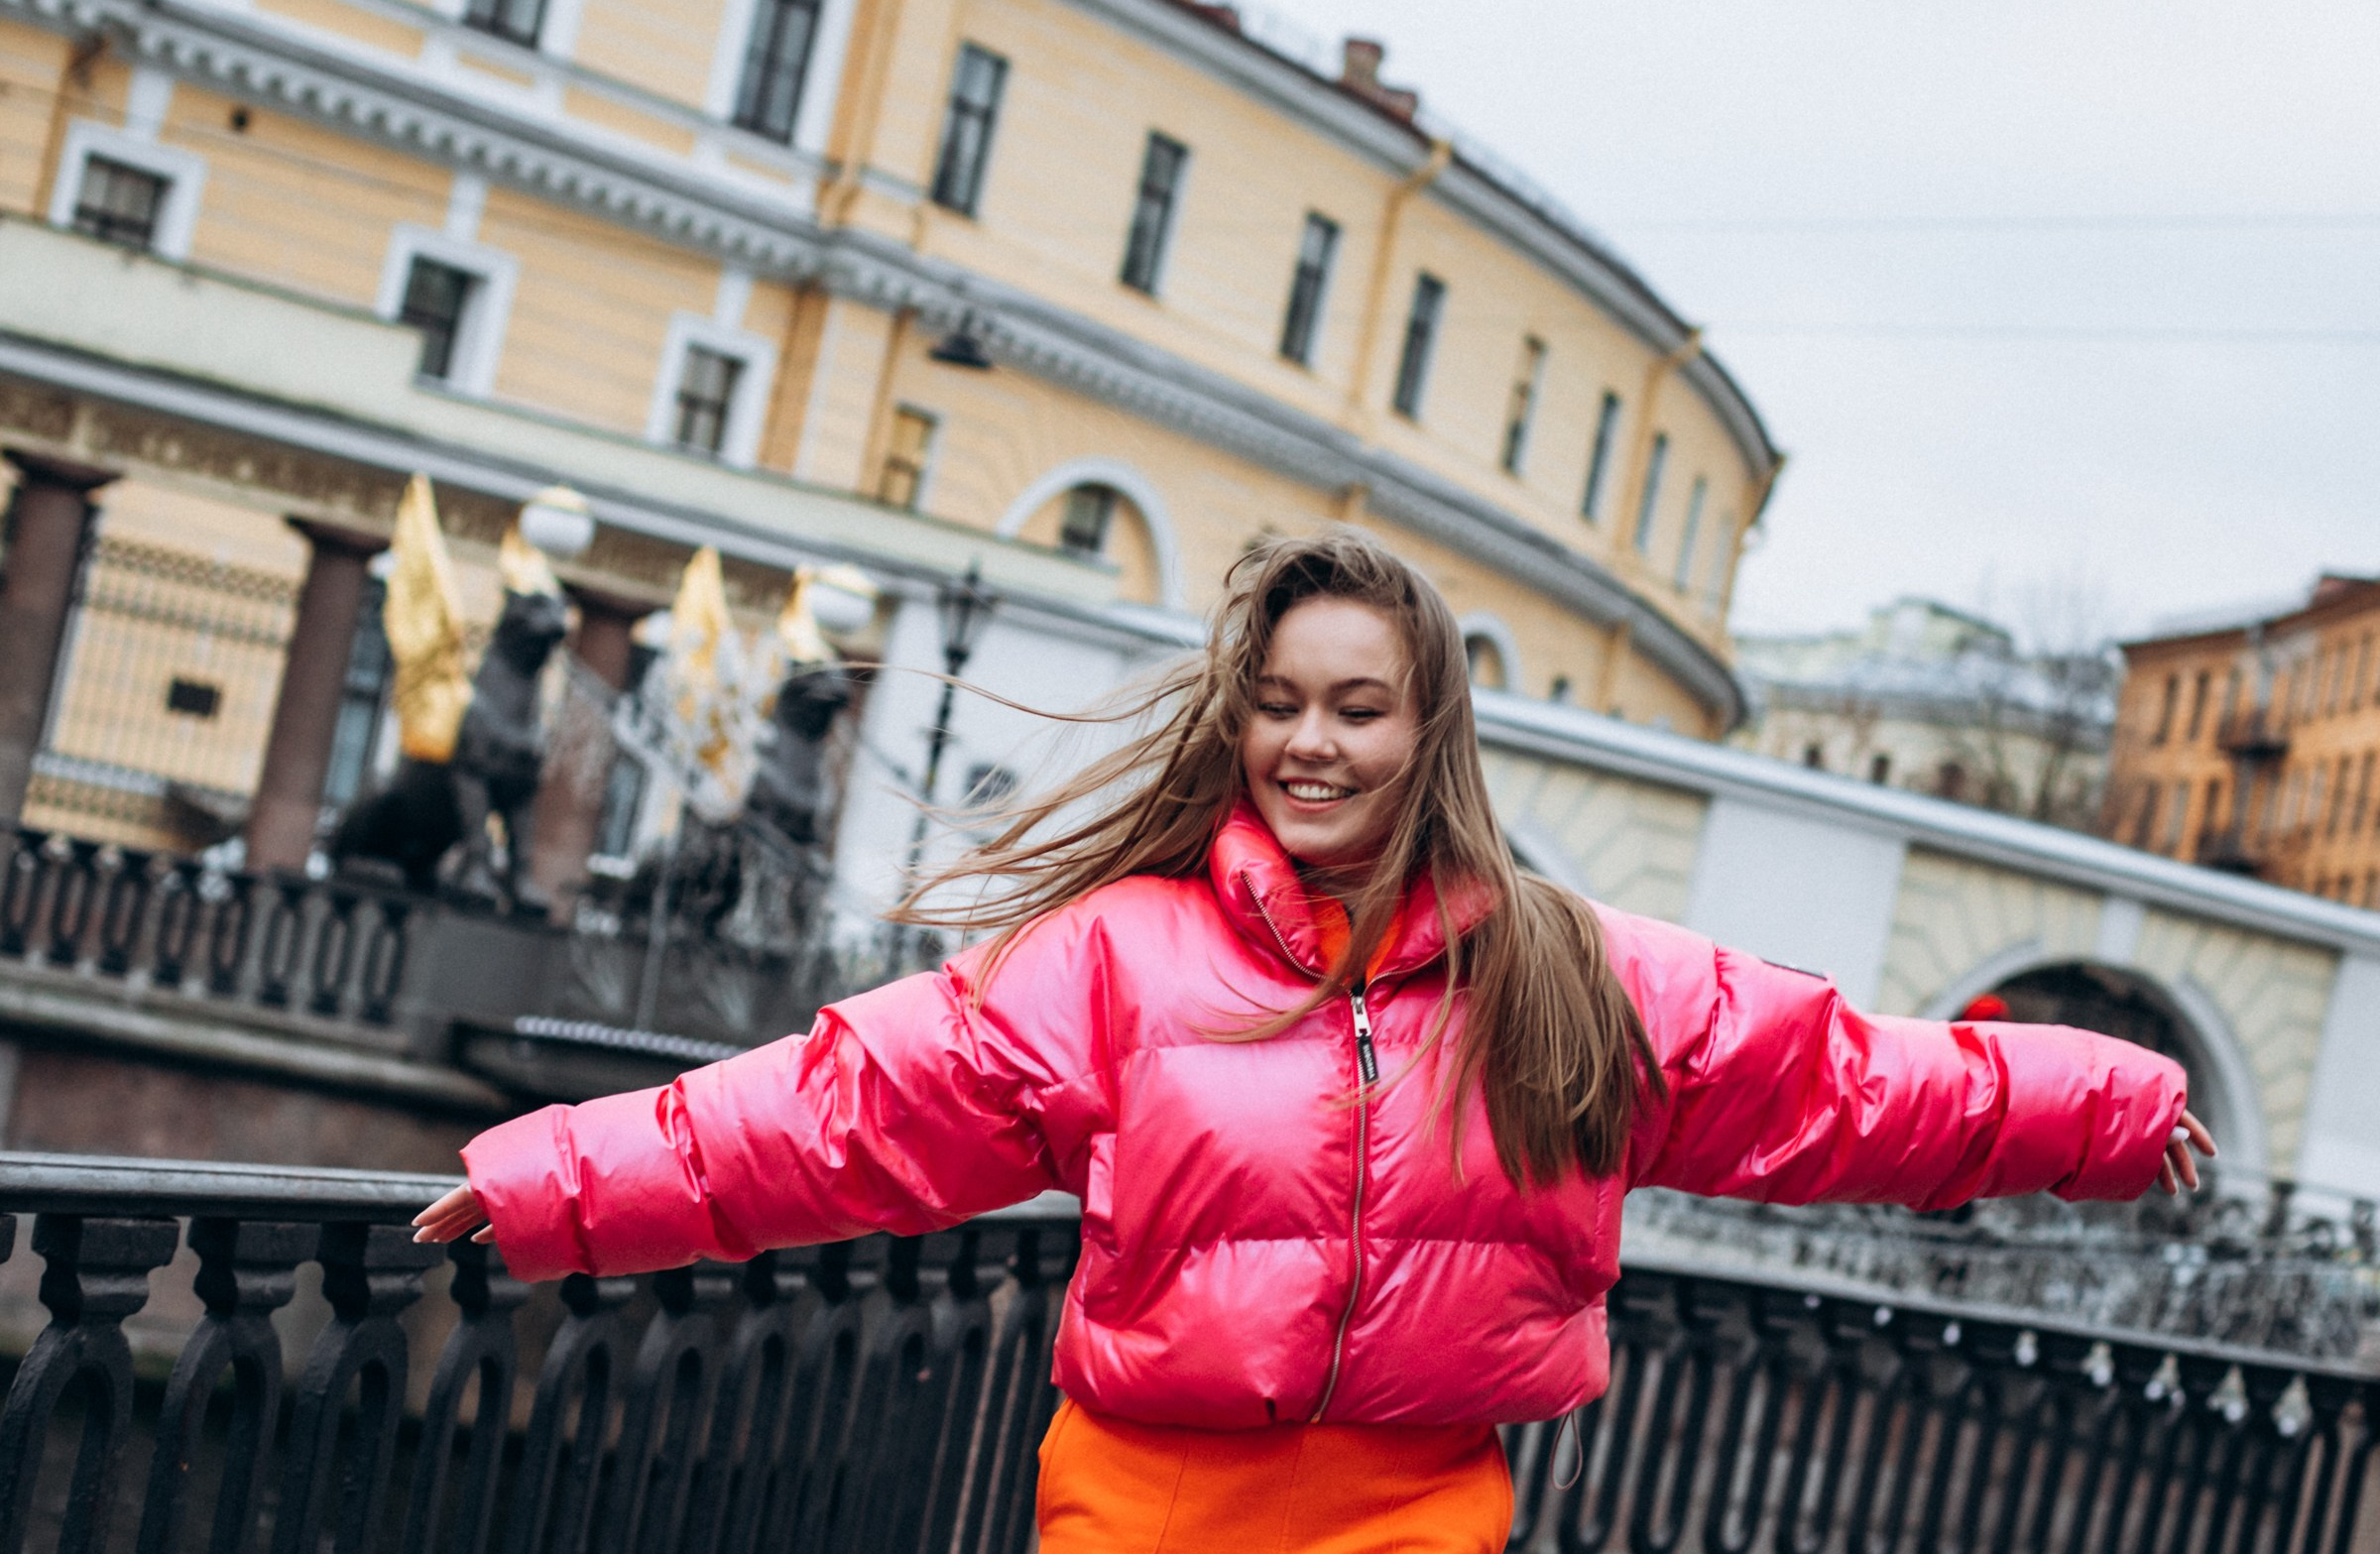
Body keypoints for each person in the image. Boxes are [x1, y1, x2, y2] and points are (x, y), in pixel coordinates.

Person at [416, 530, 2212, 1553]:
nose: (1313, 743)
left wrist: (2110, 1109)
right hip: (1146, 1513)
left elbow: (1841, 1091)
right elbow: (855, 1111)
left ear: (1431, 730)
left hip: (1413, 1523)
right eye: (1277, 704)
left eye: (1359, 706)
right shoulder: (1120, 957)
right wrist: (556, 1178)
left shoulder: (1567, 977)